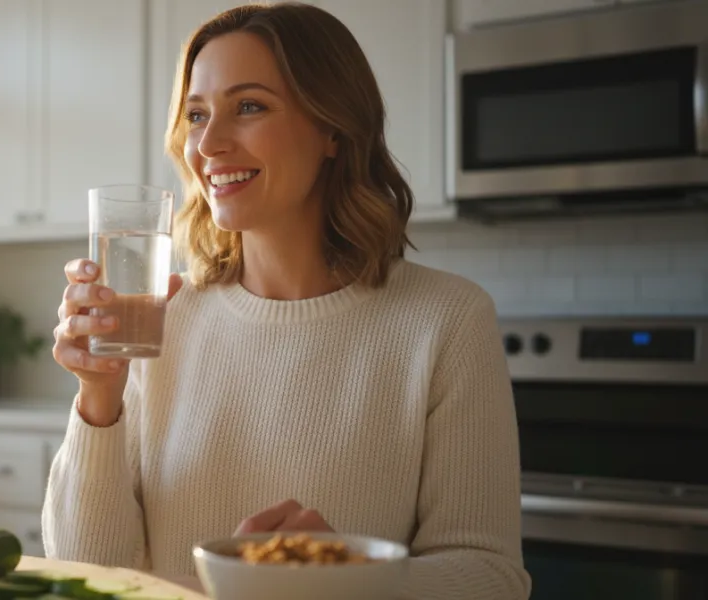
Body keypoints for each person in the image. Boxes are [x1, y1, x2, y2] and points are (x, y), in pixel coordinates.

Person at [41, 3, 530, 599]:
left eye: (249, 107)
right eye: (197, 115)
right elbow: (88, 573)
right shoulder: (161, 321)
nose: (210, 143)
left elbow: (491, 575)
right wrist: (99, 397)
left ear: (333, 129)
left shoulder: (446, 321)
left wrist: (344, 576)